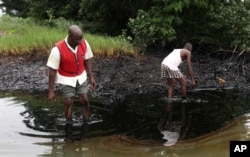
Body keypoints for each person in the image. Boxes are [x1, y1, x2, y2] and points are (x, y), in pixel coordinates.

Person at [47, 25, 96, 124]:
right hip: (66, 78)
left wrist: (91, 77)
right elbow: (52, 71)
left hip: (81, 76)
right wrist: (51, 91)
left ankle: (86, 121)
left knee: (85, 100)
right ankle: (69, 124)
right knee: (68, 101)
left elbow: (87, 60)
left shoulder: (84, 43)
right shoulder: (57, 50)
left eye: (81, 39)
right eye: (77, 40)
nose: (79, 42)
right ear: (69, 37)